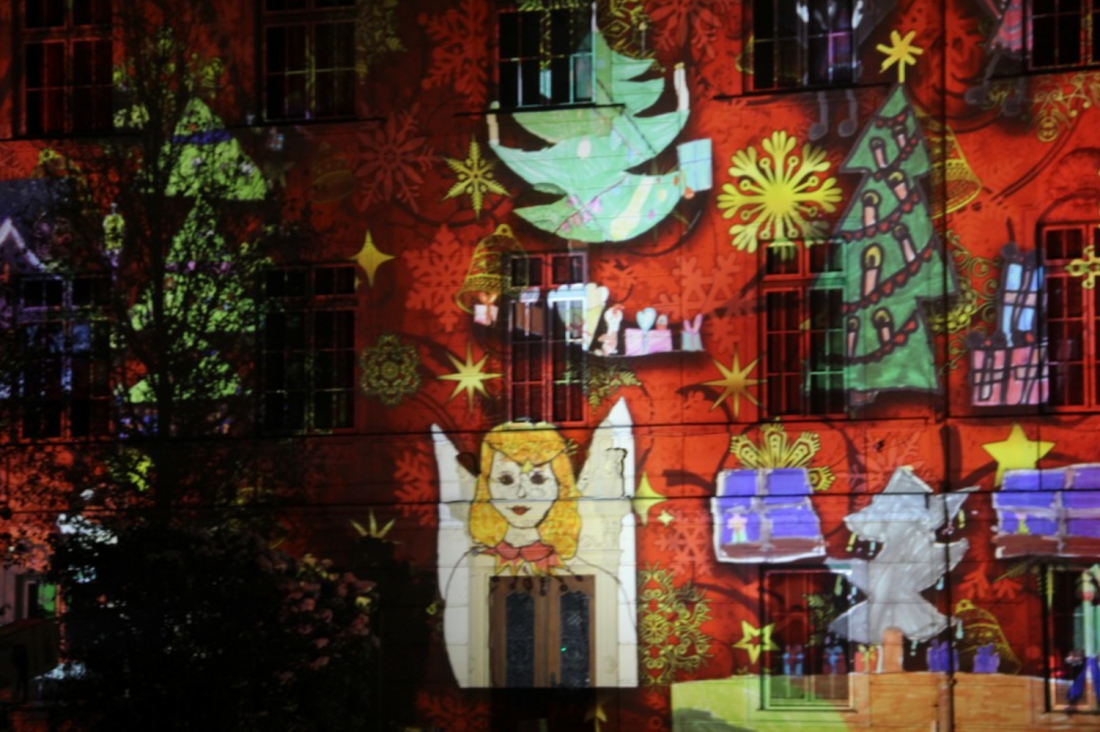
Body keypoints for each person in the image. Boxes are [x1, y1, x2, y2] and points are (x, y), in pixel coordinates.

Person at [469, 422, 581, 573]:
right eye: (506, 480)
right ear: (486, 486)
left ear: (561, 486)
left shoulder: (576, 567)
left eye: (538, 479)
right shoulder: (469, 564)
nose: (521, 493)